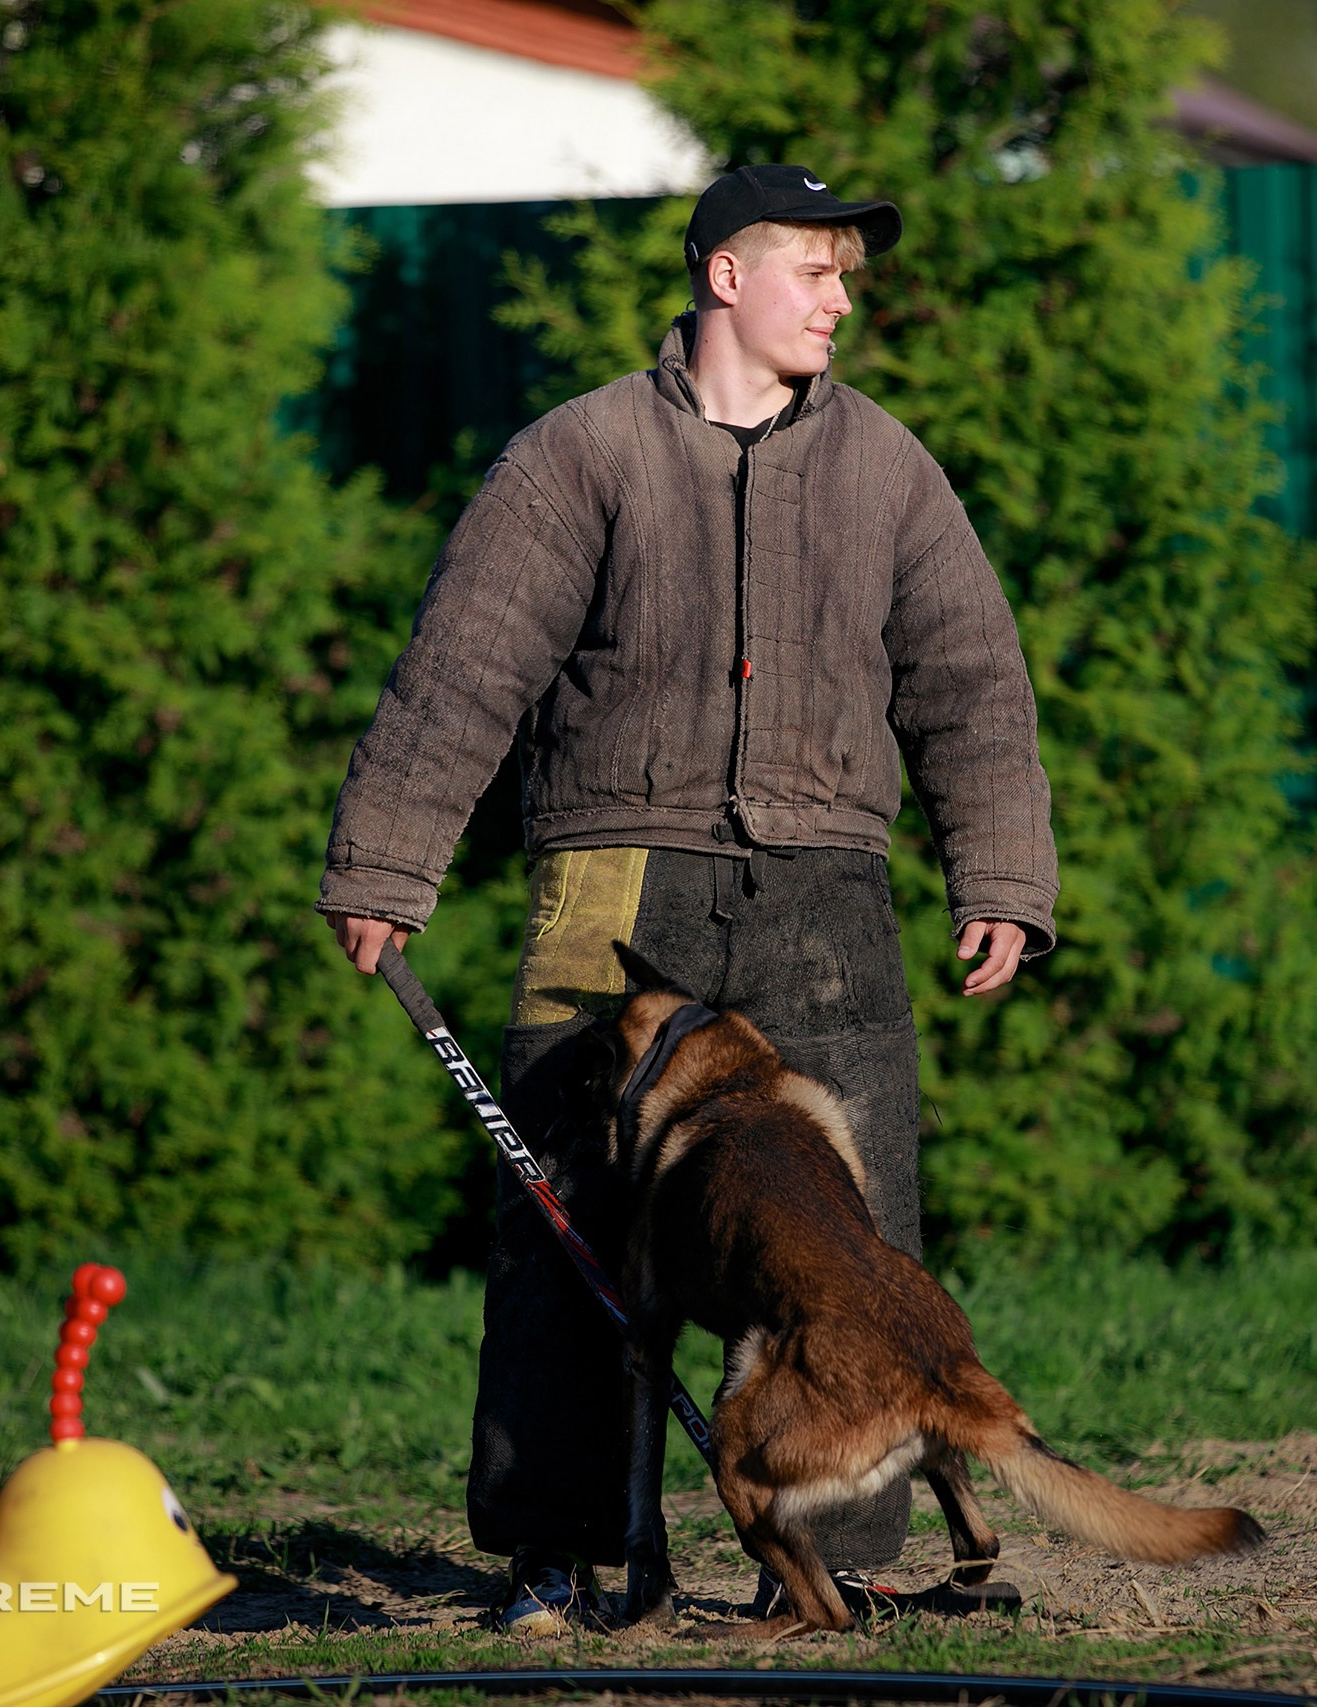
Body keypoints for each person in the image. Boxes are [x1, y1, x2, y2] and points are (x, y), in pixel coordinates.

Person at [319, 163, 1059, 1635]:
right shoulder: (575, 457)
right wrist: (389, 863)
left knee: (851, 1243)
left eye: (850, 273)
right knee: (562, 1219)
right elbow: (463, 671)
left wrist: (1006, 875)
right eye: (818, 269)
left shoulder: (891, 470)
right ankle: (561, 1547)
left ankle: (836, 1553)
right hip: (611, 871)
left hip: (829, 885)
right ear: (726, 272)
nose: (843, 298)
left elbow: (973, 678)